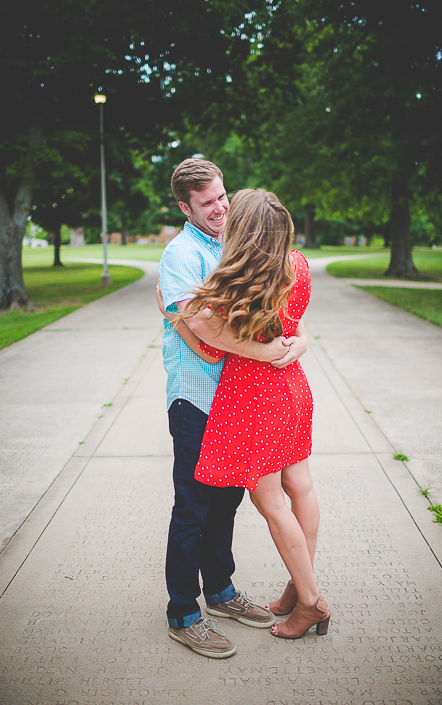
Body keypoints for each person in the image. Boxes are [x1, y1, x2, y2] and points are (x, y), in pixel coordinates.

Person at [156, 158, 307, 659]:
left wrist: (283, 345)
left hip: (239, 402)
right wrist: (266, 351)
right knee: (194, 507)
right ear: (185, 207)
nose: (220, 207)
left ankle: (220, 592)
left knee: (227, 503)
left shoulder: (236, 241)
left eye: (223, 196)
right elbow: (204, 337)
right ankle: (183, 612)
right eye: (207, 202)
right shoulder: (181, 255)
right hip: (198, 398)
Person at [176, 188, 329, 639]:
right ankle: (296, 589)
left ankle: (310, 602)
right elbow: (296, 325)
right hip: (293, 387)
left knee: (269, 500)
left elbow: (207, 344)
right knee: (300, 486)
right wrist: (297, 344)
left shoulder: (234, 285)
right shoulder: (296, 264)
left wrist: (177, 318)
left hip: (255, 397)